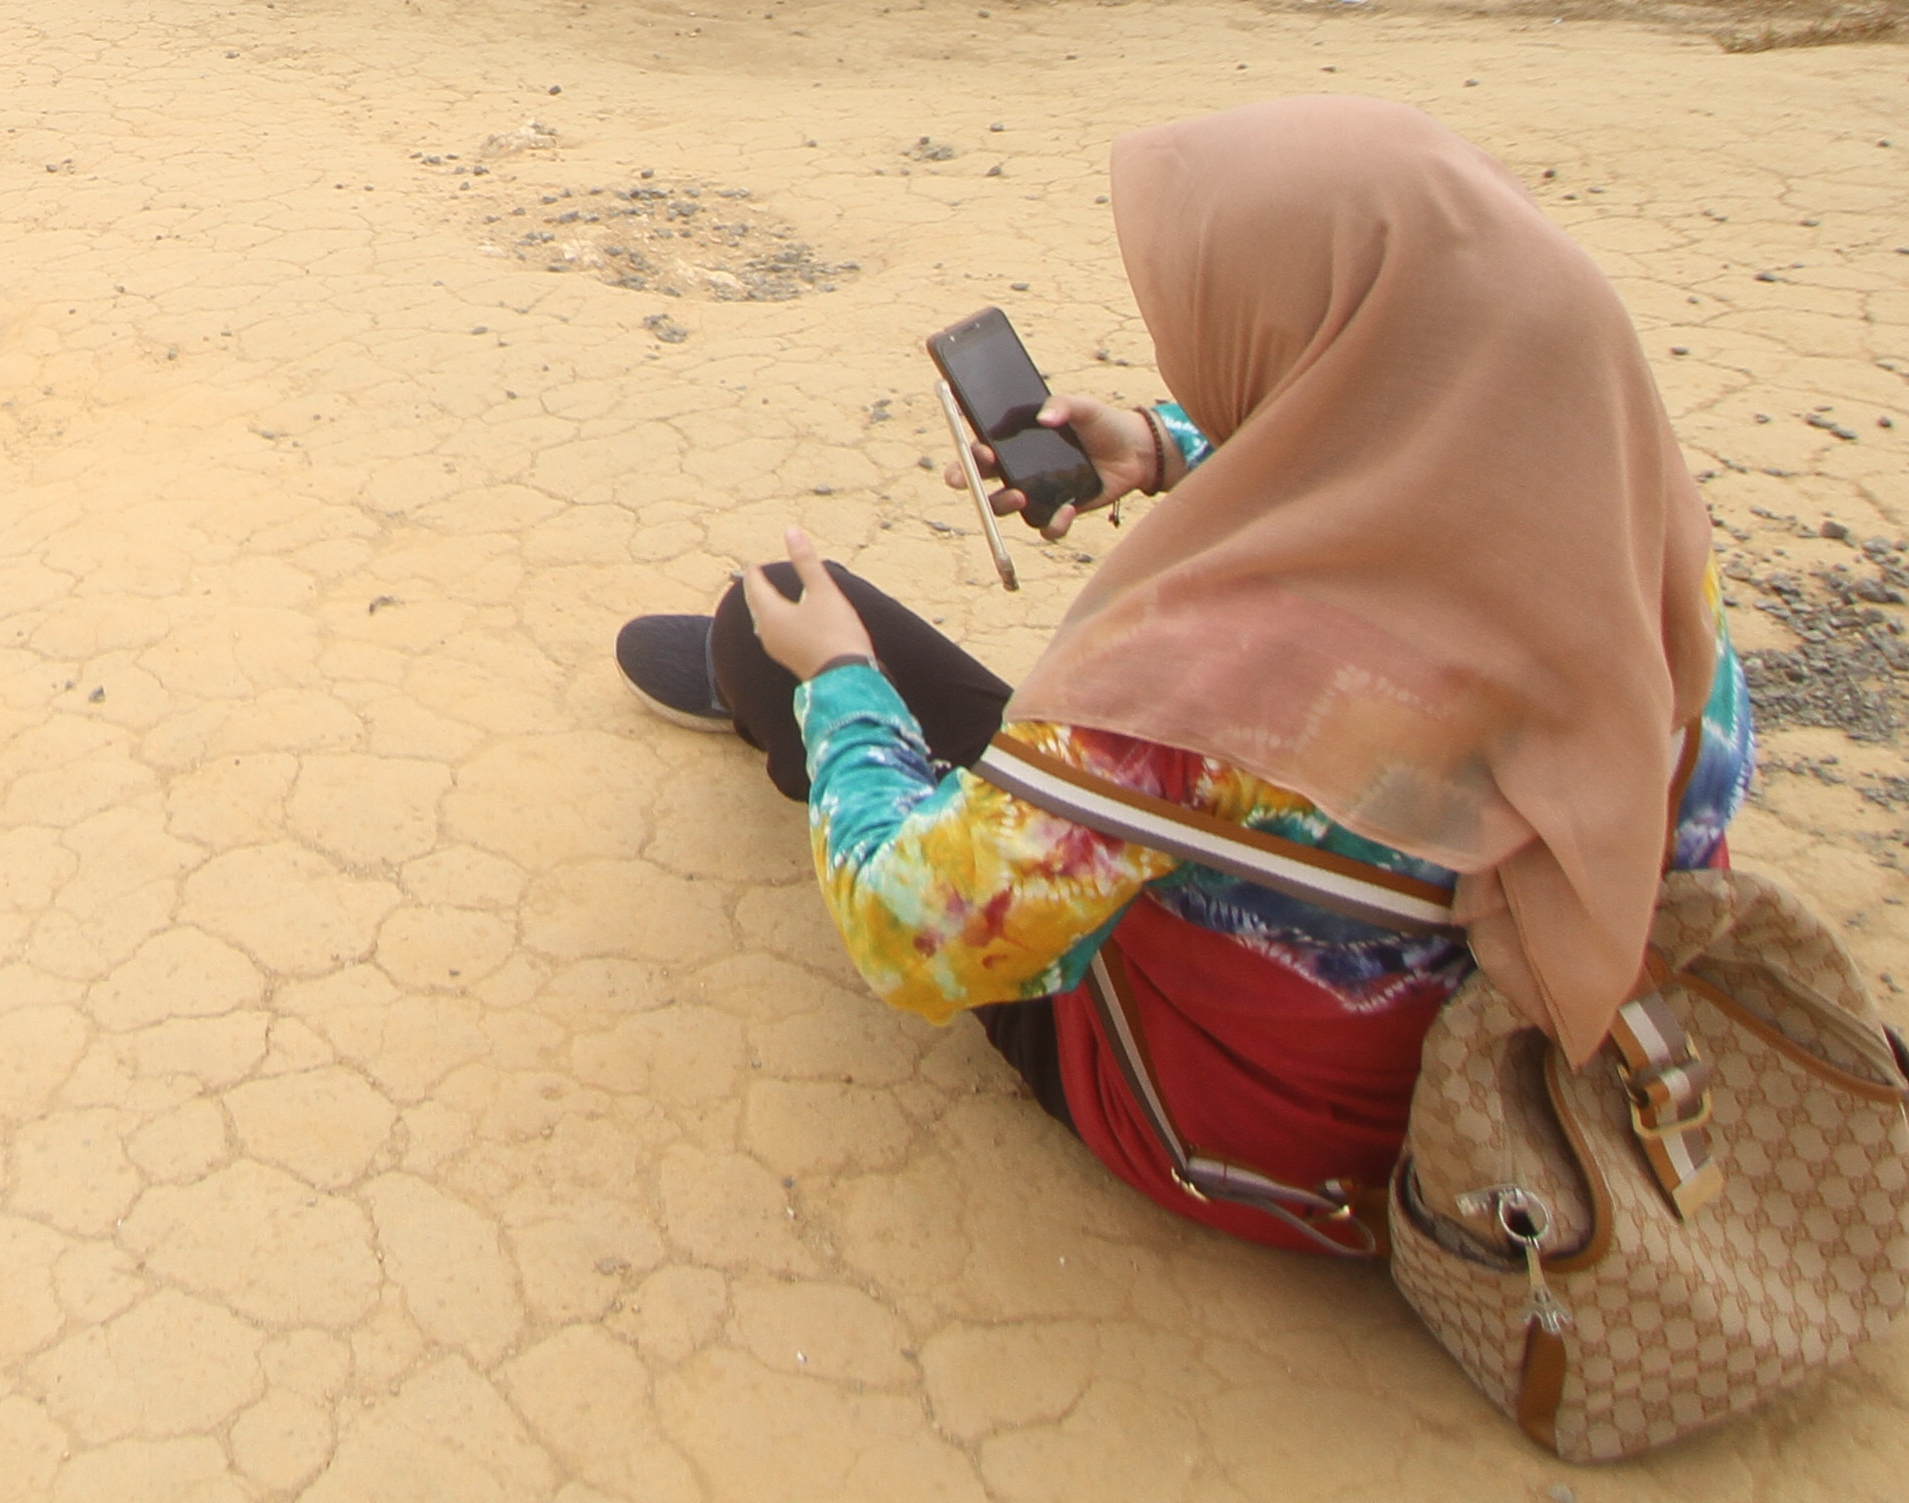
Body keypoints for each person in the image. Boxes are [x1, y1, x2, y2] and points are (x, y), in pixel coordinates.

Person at [608, 95, 1753, 1254]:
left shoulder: (1210, 685)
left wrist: (843, 682)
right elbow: (1389, 479)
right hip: (1514, 1070)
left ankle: (768, 683)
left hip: (1260, 1142)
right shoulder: (1637, 557)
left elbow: (913, 932)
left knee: (776, 620)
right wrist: (1168, 450)